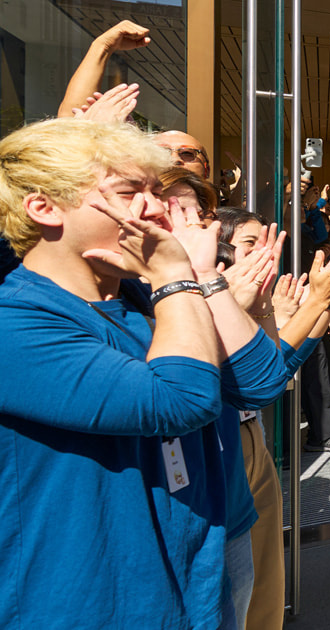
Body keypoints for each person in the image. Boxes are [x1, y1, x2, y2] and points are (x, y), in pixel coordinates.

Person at [0, 118, 225, 628]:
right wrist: (176, 275)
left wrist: (198, 278)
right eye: (128, 193)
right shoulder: (15, 322)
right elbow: (184, 400)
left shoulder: (143, 294)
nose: (156, 209)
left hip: (193, 586)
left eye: (154, 192)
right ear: (44, 208)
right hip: (87, 603)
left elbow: (254, 381)